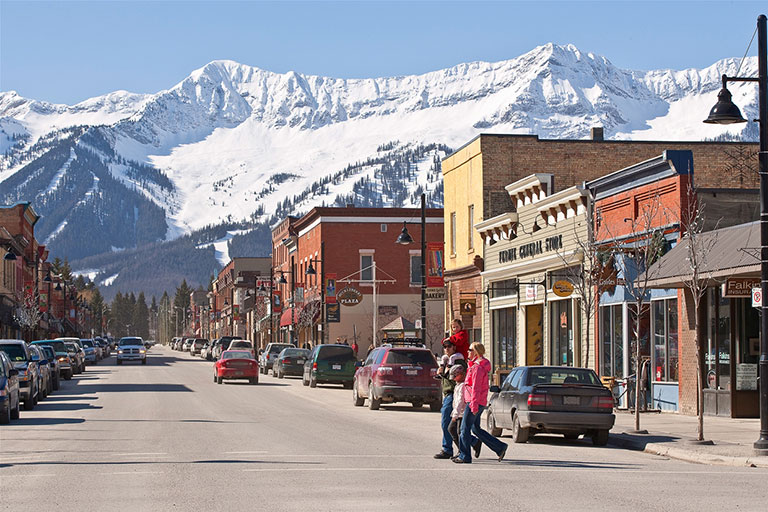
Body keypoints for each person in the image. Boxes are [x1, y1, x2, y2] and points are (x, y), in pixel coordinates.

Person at [455, 342, 508, 464]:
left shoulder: (477, 367)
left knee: (464, 429)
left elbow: (476, 388)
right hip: (477, 401)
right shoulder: (474, 365)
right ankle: (499, 447)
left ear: (476, 352)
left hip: (475, 402)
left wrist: (473, 405)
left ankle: (464, 456)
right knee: (475, 428)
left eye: (470, 350)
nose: (467, 352)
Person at [433, 339, 467, 459]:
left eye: (449, 346)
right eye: (444, 346)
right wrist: (441, 371)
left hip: (454, 393)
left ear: (454, 347)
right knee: (454, 425)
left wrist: (446, 372)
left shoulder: (458, 362)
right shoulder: (445, 361)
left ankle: (448, 449)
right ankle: (472, 443)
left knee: (448, 423)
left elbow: (459, 378)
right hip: (448, 394)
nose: (446, 348)